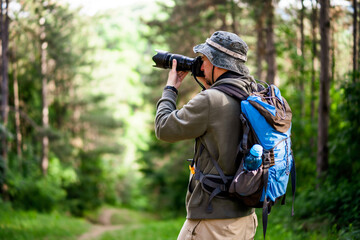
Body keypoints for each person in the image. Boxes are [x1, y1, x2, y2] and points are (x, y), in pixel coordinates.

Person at [155, 31, 259, 240]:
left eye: (203, 60)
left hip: (212, 221)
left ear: (217, 62)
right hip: (245, 219)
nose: (200, 66)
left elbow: (164, 128)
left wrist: (170, 89)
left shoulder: (211, 100)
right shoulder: (252, 91)